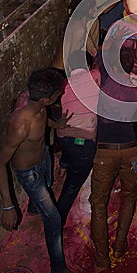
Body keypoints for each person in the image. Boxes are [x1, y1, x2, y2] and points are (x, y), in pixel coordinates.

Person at [0, 69, 73, 273]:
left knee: (47, 183)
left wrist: (57, 124)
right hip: (28, 172)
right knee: (54, 219)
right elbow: (0, 163)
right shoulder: (21, 124)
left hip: (43, 156)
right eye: (58, 93)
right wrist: (8, 206)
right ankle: (58, 269)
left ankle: (33, 207)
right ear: (47, 99)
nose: (60, 95)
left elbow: (43, 120)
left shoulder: (37, 102)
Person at [90, 45, 137, 272]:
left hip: (105, 151)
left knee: (98, 204)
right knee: (129, 196)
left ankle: (102, 259)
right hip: (132, 150)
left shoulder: (103, 84)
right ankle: (120, 246)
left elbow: (101, 56)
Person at [57, 50, 99, 226]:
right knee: (73, 185)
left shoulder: (63, 83)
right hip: (83, 140)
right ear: (88, 66)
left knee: (70, 158)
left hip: (64, 137)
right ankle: (57, 220)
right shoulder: (95, 77)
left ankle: (64, 165)